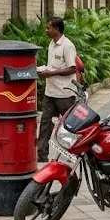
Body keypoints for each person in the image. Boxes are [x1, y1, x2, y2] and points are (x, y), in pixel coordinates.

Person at [36, 17, 78, 163]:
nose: (46, 30)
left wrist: (51, 73)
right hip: (50, 92)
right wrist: (44, 70)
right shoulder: (51, 44)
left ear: (57, 29)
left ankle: (73, 153)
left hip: (64, 93)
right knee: (45, 123)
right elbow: (53, 65)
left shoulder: (67, 46)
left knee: (68, 126)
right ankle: (42, 155)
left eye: (48, 28)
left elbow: (73, 68)